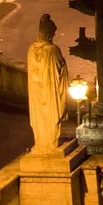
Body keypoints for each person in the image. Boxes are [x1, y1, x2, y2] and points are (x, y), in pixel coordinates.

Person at [27, 14, 69, 152]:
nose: (54, 35)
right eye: (53, 33)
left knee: (39, 119)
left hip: (37, 94)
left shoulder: (31, 49)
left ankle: (40, 144)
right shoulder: (53, 50)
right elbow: (61, 70)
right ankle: (51, 144)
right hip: (50, 92)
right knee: (51, 118)